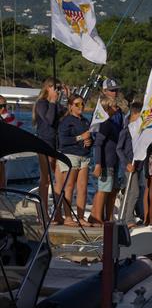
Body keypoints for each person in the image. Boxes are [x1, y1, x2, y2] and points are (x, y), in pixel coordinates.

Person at [32, 78, 68, 222]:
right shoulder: (41, 104)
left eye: (59, 88)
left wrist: (65, 98)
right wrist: (53, 101)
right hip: (44, 143)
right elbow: (49, 119)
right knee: (45, 179)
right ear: (48, 88)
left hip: (56, 144)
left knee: (60, 179)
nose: (58, 91)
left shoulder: (57, 104)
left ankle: (58, 213)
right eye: (56, 88)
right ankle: (43, 213)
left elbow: (66, 114)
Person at [56, 94, 93, 227]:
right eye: (77, 104)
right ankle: (68, 217)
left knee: (82, 188)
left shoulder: (85, 120)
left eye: (82, 104)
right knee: (69, 187)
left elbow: (89, 137)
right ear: (70, 106)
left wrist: (89, 141)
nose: (81, 106)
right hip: (70, 156)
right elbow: (63, 141)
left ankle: (81, 217)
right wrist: (80, 138)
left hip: (84, 156)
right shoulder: (66, 121)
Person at [90, 96, 123, 224]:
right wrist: (98, 164)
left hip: (114, 161)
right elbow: (98, 144)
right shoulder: (104, 124)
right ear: (108, 108)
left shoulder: (112, 123)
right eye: (114, 106)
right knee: (103, 189)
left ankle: (108, 217)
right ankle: (97, 216)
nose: (117, 108)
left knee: (113, 190)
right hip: (105, 162)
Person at [116, 101, 143, 227]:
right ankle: (128, 219)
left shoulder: (139, 131)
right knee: (134, 192)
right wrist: (126, 163)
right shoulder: (126, 131)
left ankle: (122, 218)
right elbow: (119, 149)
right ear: (134, 114)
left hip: (137, 165)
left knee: (130, 191)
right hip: (128, 166)